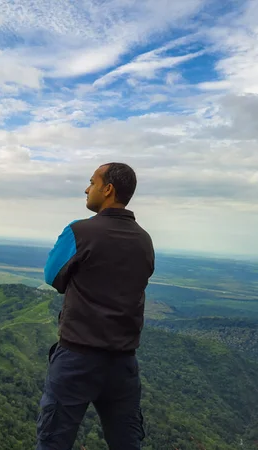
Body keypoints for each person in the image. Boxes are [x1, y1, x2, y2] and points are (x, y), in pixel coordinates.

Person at [36, 162, 155, 450]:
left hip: (77, 358)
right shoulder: (144, 240)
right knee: (126, 442)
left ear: (108, 189)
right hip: (123, 363)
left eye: (92, 182)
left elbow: (52, 276)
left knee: (54, 441)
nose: (87, 189)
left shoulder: (80, 232)